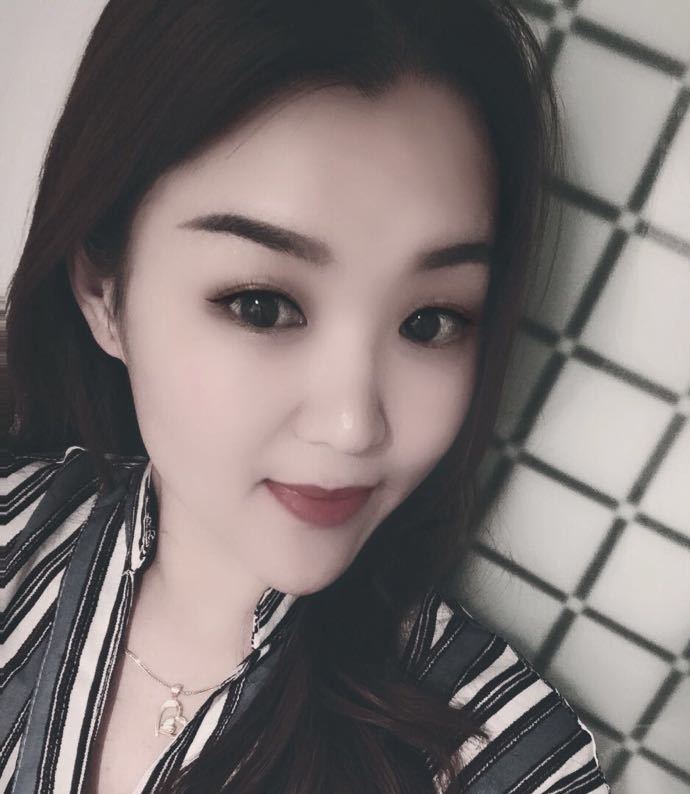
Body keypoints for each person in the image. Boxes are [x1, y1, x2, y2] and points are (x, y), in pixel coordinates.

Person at [0, 0, 610, 791]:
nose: (353, 426)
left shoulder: (503, 758)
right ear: (104, 293)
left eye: (431, 322)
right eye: (262, 306)